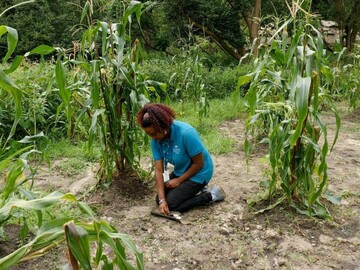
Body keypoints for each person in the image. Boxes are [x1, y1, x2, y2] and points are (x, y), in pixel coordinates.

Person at [137, 103, 226, 215]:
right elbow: (159, 170)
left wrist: (178, 181)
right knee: (159, 199)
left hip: (201, 172)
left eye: (154, 133)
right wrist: (162, 200)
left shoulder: (186, 133)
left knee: (173, 204)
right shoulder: (155, 141)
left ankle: (211, 195)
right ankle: (192, 190)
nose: (152, 138)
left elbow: (199, 163)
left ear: (163, 126)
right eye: (149, 134)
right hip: (182, 171)